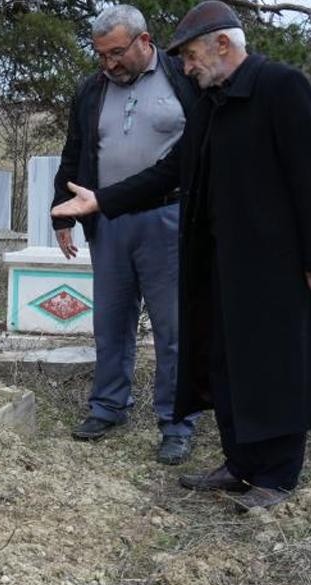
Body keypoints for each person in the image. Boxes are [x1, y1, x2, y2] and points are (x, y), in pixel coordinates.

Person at [52, 1, 311, 511]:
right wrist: (102, 200)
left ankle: (276, 477)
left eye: (189, 57)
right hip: (219, 261)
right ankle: (240, 464)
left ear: (223, 45)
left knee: (273, 366)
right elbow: (172, 171)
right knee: (227, 363)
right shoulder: (212, 101)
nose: (185, 68)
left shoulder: (280, 87)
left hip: (276, 265)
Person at [51, 5, 199, 465]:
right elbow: (75, 150)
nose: (109, 63)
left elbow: (205, 147)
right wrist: (61, 214)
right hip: (108, 221)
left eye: (117, 53)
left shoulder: (183, 78)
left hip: (168, 218)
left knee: (173, 327)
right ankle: (109, 406)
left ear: (144, 41)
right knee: (110, 323)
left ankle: (176, 422)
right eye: (101, 55)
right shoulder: (92, 90)